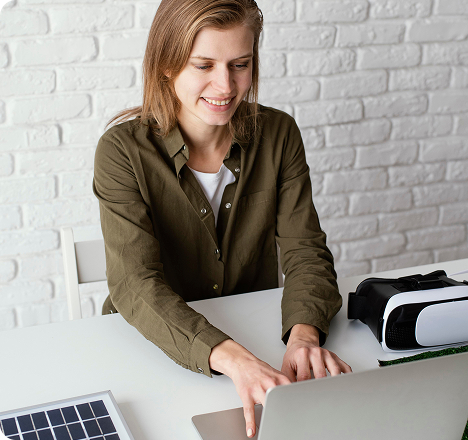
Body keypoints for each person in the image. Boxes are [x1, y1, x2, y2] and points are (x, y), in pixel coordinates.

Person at [93, 0, 351, 437]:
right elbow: (134, 283)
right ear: (167, 65)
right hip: (151, 353)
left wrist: (304, 336)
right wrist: (235, 360)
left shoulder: (279, 134)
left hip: (256, 340)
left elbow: (305, 250)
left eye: (240, 64)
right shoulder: (121, 152)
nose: (226, 85)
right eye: (204, 65)